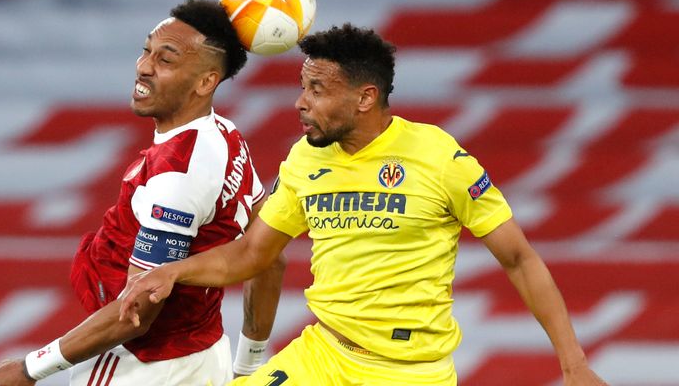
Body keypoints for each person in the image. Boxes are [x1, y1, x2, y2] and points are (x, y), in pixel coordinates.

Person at [118, 23, 609, 385]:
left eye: (316, 89)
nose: (299, 103)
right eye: (301, 86)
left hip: (412, 372)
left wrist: (574, 365)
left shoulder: (439, 157)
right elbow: (252, 254)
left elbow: (519, 259)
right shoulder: (305, 161)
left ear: (364, 98)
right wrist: (174, 271)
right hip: (324, 355)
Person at [0, 0, 286, 386]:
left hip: (142, 364)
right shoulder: (227, 137)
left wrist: (30, 369)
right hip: (205, 354)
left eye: (166, 60)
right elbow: (268, 255)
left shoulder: (175, 175)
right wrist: (249, 364)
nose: (144, 67)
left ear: (206, 81)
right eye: (146, 51)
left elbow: (138, 312)